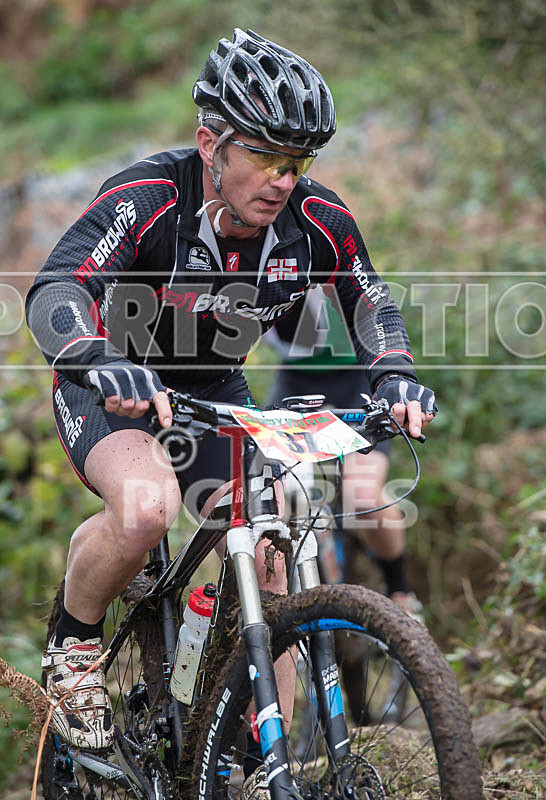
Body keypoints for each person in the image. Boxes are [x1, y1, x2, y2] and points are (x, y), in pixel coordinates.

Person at [25, 26, 436, 783]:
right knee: (147, 507)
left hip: (214, 393)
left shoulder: (315, 220)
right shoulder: (149, 197)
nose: (284, 178)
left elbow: (369, 297)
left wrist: (395, 375)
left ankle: (250, 758)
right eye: (267, 156)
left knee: (274, 537)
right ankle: (75, 646)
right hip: (114, 387)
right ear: (210, 141)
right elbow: (56, 289)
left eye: (298, 160)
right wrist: (93, 355)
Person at [265, 287, 423, 614]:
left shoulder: (343, 266)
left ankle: (400, 591)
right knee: (276, 493)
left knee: (363, 495)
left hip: (359, 386)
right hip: (296, 385)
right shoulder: (268, 268)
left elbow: (384, 322)